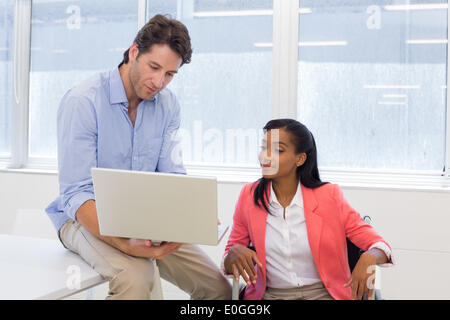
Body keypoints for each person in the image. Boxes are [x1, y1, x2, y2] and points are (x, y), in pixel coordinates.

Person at [46, 14, 231, 300]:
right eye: (154, 67)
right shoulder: (82, 101)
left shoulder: (168, 105)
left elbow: (172, 176)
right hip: (83, 217)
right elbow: (76, 194)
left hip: (145, 218)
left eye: (170, 74)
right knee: (137, 278)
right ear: (134, 52)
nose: (159, 82)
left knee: (218, 287)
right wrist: (127, 245)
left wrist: (188, 217)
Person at [223, 119, 393, 300]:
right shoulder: (248, 196)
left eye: (278, 150)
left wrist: (370, 256)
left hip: (324, 294)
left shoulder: (330, 196)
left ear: (300, 158)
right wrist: (232, 254)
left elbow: (380, 246)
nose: (266, 156)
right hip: (271, 296)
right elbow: (228, 260)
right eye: (264, 148)